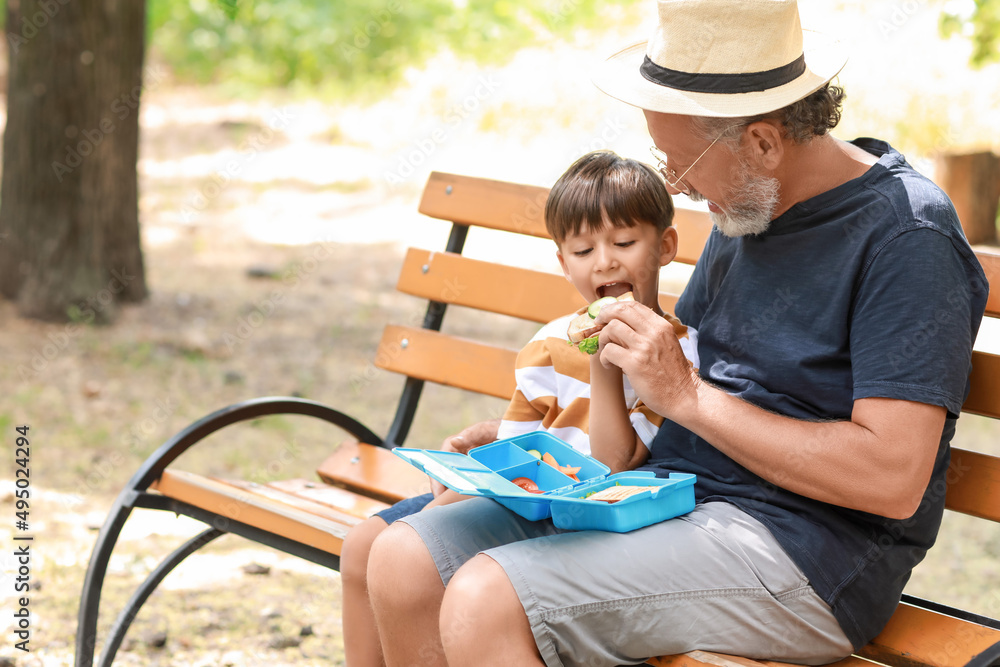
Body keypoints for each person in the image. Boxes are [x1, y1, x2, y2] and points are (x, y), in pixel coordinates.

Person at [364, 1, 990, 666]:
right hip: (668, 496)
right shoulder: (751, 207)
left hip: (802, 553)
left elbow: (890, 477)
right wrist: (531, 438)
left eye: (682, 161)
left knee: (487, 596)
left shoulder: (907, 238)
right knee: (406, 561)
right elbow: (666, 383)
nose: (675, 186)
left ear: (764, 142)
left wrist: (689, 397)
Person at [340, 150, 700, 666]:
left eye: (624, 242)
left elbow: (615, 462)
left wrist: (602, 365)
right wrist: (436, 507)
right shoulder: (549, 345)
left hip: (585, 520)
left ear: (664, 247)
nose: (605, 262)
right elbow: (513, 459)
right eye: (583, 250)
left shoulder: (676, 353)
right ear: (562, 262)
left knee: (413, 561)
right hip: (522, 499)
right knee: (365, 547)